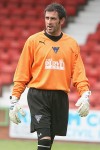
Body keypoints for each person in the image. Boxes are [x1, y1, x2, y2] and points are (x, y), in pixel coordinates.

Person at [9, 2, 91, 150]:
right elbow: (22, 72)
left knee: (48, 143)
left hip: (59, 97)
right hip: (38, 96)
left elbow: (78, 72)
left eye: (53, 19)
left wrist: (84, 94)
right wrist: (14, 99)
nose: (49, 22)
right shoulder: (33, 41)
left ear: (62, 20)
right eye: (47, 18)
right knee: (44, 139)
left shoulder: (71, 44)